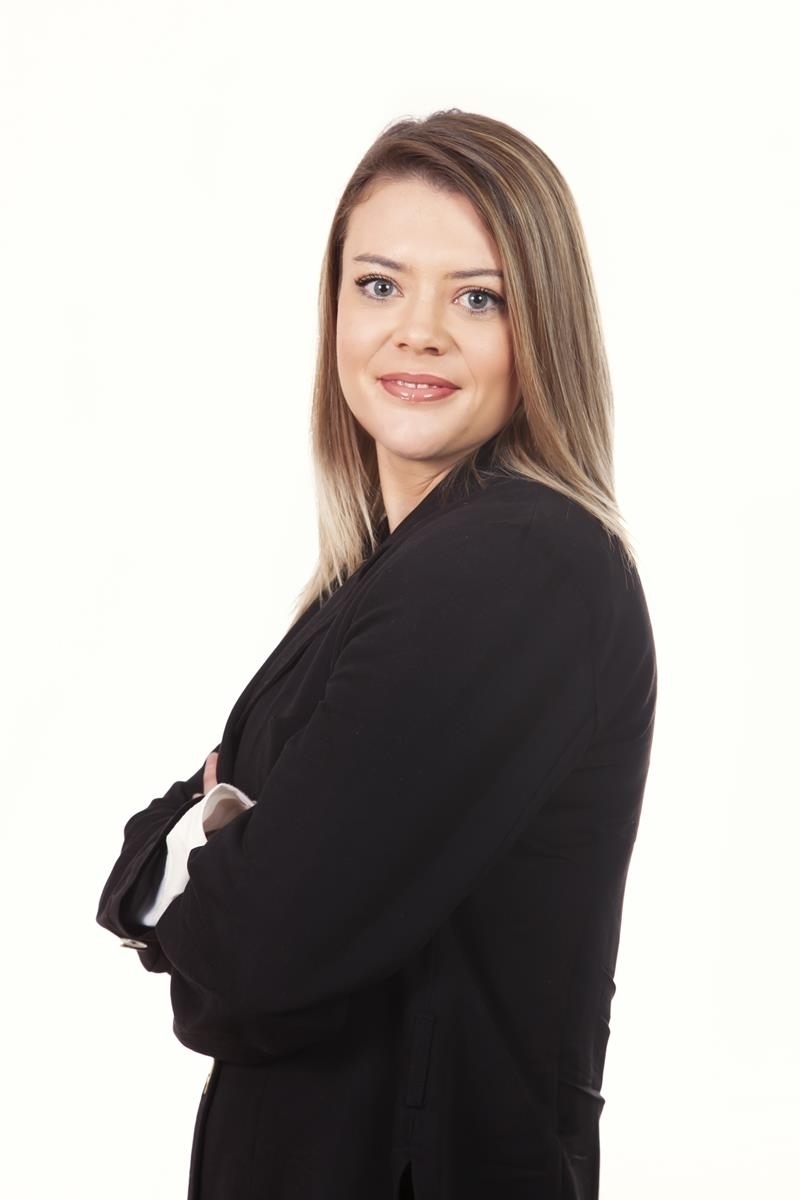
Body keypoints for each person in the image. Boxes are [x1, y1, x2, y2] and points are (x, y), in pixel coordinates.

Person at [97, 109, 657, 1200]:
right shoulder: (384, 578)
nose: (418, 333)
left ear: (542, 328)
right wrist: (211, 865)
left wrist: (202, 865)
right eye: (380, 285)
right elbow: (206, 903)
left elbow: (248, 965)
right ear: (336, 310)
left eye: (478, 298)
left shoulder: (514, 564)